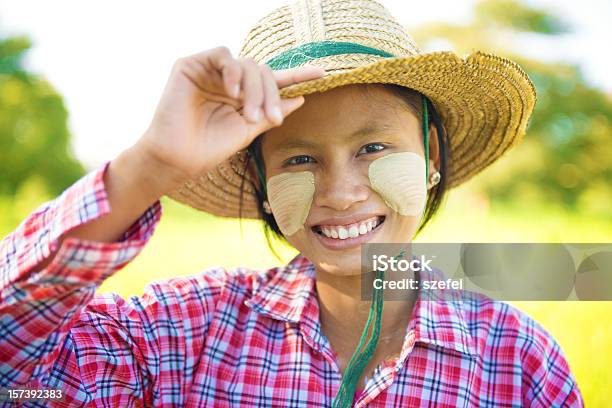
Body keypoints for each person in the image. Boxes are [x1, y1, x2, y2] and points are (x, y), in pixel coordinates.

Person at [0, 0, 583, 406]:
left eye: (374, 147)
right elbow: (18, 382)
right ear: (262, 182)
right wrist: (151, 166)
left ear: (430, 155)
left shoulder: (518, 360)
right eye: (298, 160)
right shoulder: (184, 334)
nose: (340, 192)